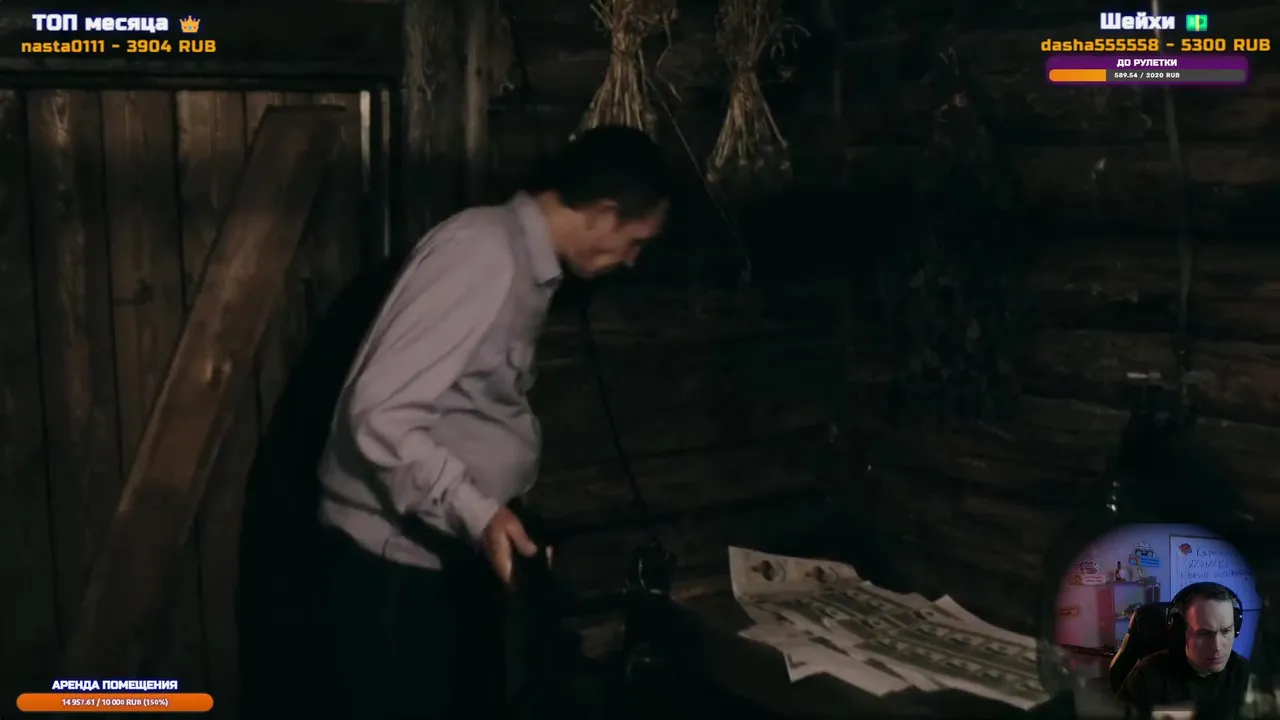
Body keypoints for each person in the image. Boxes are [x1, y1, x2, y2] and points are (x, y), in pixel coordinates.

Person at [313, 124, 671, 718]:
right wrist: (477, 513)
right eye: (635, 241)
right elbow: (379, 413)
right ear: (605, 214)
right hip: (391, 574)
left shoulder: (521, 264)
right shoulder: (482, 254)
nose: (633, 260)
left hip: (432, 558)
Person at [1117, 582, 1250, 719]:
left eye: (1226, 631)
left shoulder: (1245, 674)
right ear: (1181, 632)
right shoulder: (1146, 677)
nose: (1217, 647)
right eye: (1204, 634)